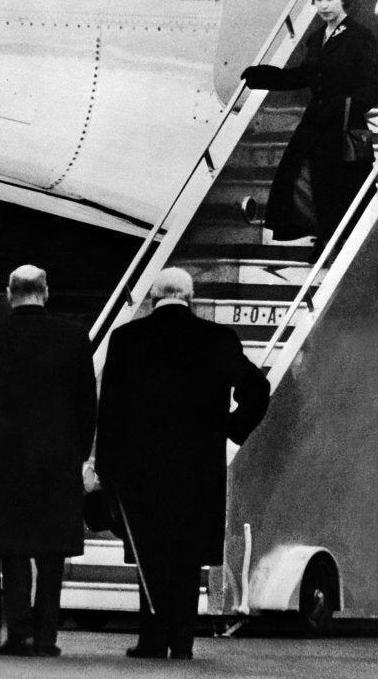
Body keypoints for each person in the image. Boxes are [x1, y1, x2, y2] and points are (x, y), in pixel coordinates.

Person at [95, 267, 270, 660]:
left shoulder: (126, 340)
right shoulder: (217, 339)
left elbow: (111, 412)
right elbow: (257, 389)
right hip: (198, 469)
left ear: (154, 298)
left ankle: (152, 640)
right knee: (187, 558)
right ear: (189, 298)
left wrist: (106, 467)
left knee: (150, 552)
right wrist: (229, 428)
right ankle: (182, 641)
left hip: (141, 471)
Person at [0, 265, 97, 657]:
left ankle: (18, 633)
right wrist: (79, 453)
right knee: (52, 552)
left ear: (10, 293)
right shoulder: (74, 338)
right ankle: (46, 637)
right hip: (57, 458)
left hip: (7, 457)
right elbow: (86, 404)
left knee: (14, 549)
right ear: (46, 292)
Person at [241, 0, 378, 259]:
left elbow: (374, 88)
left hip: (345, 126)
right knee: (304, 181)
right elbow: (302, 76)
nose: (324, 5)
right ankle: (325, 238)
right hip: (317, 125)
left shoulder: (360, 38)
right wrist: (264, 76)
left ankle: (344, 244)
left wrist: (344, 104)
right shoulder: (317, 38)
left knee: (344, 188)